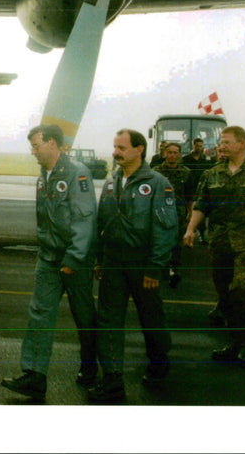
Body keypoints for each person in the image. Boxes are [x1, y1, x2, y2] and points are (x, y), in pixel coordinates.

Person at [1, 125, 98, 401]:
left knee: (84, 315)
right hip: (49, 257)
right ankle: (34, 375)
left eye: (36, 146)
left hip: (73, 259)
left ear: (53, 143)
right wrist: (44, 250)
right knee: (39, 314)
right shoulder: (43, 177)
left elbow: (84, 218)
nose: (32, 152)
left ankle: (91, 367)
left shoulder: (77, 173)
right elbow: (43, 219)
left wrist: (74, 258)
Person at [88, 129, 177, 402]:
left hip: (143, 264)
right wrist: (100, 259)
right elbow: (103, 222)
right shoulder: (112, 182)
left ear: (139, 149)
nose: (116, 152)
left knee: (150, 316)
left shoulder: (158, 183)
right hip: (114, 262)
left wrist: (155, 267)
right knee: (109, 321)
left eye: (122, 148)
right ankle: (113, 380)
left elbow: (166, 228)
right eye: (115, 147)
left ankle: (159, 361)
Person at [183, 126, 245, 365]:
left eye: (227, 142)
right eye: (221, 142)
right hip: (220, 241)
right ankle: (235, 342)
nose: (222, 145)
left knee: (242, 289)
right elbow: (202, 204)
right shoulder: (212, 173)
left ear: (241, 144)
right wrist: (190, 228)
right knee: (225, 292)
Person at [153, 142, 194, 288]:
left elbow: (190, 196)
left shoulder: (186, 172)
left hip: (179, 214)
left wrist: (190, 214)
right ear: (164, 154)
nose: (172, 155)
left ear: (180, 155)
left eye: (175, 152)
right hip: (159, 214)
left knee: (176, 244)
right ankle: (160, 270)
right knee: (159, 242)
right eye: (169, 152)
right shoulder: (155, 172)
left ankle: (174, 271)